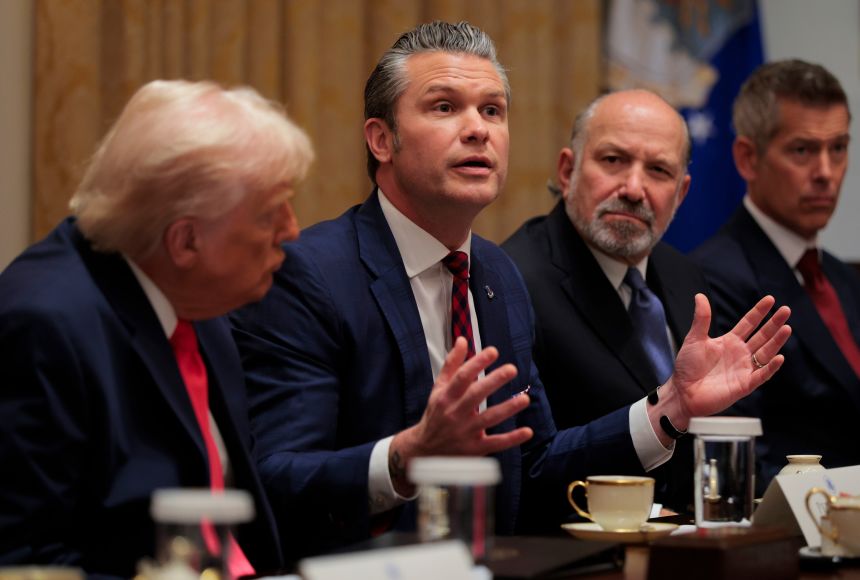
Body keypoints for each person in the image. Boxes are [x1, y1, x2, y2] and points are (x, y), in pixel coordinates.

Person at [230, 21, 790, 560]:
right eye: (444, 107)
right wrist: (406, 456)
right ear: (382, 139)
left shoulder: (496, 275)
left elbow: (536, 465)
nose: (478, 129)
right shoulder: (310, 274)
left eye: (492, 110)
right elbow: (276, 480)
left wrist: (670, 406)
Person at [0, 80, 313, 578]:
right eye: (270, 212)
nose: (293, 229)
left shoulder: (199, 302)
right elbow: (24, 565)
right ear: (187, 241)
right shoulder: (46, 325)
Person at [502, 89, 706, 513]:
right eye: (613, 160)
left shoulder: (685, 276)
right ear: (567, 170)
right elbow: (525, 471)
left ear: (681, 194)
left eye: (658, 170)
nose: (634, 189)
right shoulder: (513, 280)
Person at [693, 59, 859, 492]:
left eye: (838, 148)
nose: (826, 172)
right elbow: (742, 463)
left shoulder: (842, 278)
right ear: (748, 158)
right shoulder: (714, 276)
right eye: (802, 150)